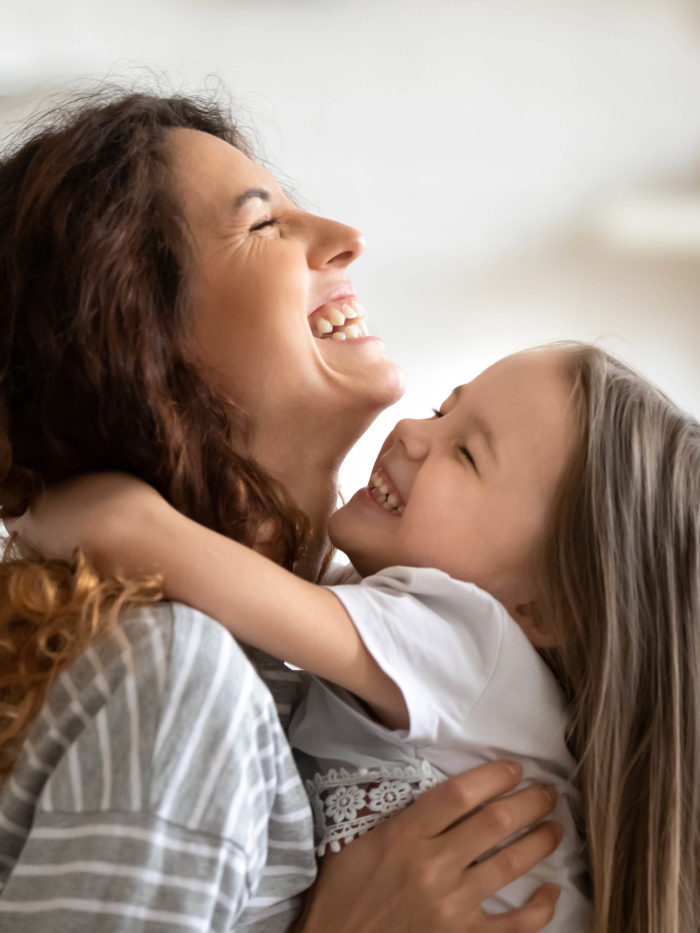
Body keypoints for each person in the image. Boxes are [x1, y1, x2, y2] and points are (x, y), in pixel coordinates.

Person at [0, 90, 563, 932]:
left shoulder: (303, 674)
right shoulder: (179, 680)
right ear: (143, 347)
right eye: (264, 226)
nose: (347, 238)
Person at [21, 340, 700, 933]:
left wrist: (41, 494)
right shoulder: (438, 651)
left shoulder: (468, 637)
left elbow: (134, 536)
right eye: (442, 409)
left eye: (464, 453)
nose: (409, 430)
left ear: (547, 609)